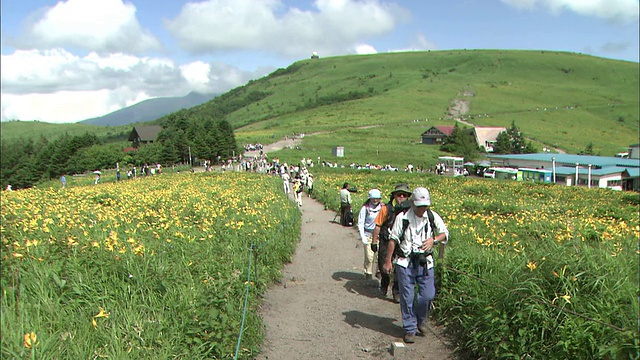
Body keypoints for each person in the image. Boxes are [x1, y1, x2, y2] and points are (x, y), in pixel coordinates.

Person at [382, 187, 449, 344]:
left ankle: (420, 319)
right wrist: (388, 261)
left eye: (425, 205)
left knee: (428, 295)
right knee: (407, 297)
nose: (422, 209)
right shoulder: (402, 218)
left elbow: (445, 233)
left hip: (425, 262)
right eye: (419, 206)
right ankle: (410, 328)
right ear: (412, 203)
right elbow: (393, 239)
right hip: (404, 262)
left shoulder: (432, 216)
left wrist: (434, 240)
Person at [372, 183, 412, 302]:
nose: (401, 196)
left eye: (404, 195)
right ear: (394, 195)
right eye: (399, 194)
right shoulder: (386, 209)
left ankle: (396, 292)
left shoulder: (410, 211)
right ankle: (384, 283)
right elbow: (378, 225)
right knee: (383, 266)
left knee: (400, 268)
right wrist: (374, 242)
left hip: (401, 243)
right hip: (386, 241)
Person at [357, 189, 384, 282]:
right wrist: (363, 237)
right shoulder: (365, 208)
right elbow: (360, 223)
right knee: (369, 256)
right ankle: (368, 273)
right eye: (373, 198)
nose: (375, 200)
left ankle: (379, 273)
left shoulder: (382, 208)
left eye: (377, 198)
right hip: (368, 234)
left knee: (380, 256)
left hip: (379, 235)